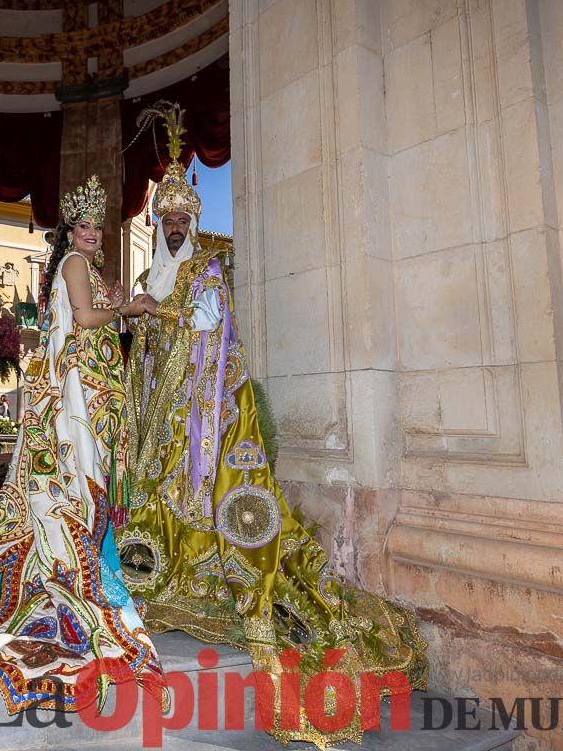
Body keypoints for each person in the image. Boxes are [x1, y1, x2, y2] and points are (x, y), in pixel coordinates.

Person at [119, 102, 427, 747]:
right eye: (166, 219)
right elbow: (150, 340)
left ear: (191, 221)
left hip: (202, 409)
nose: (174, 227)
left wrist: (154, 313)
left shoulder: (205, 266)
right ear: (156, 222)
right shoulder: (152, 271)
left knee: (204, 490)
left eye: (182, 219)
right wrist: (142, 320)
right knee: (156, 491)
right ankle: (162, 564)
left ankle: (209, 570)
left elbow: (210, 329)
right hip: (161, 406)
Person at [0, 175, 162, 714]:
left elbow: (86, 319)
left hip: (85, 394)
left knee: (81, 484)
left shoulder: (82, 267)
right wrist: (128, 309)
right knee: (78, 482)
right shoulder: (73, 264)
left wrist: (118, 303)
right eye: (83, 226)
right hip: (74, 399)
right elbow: (86, 319)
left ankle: (76, 569)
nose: (92, 233)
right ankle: (76, 577)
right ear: (70, 232)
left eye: (98, 227)